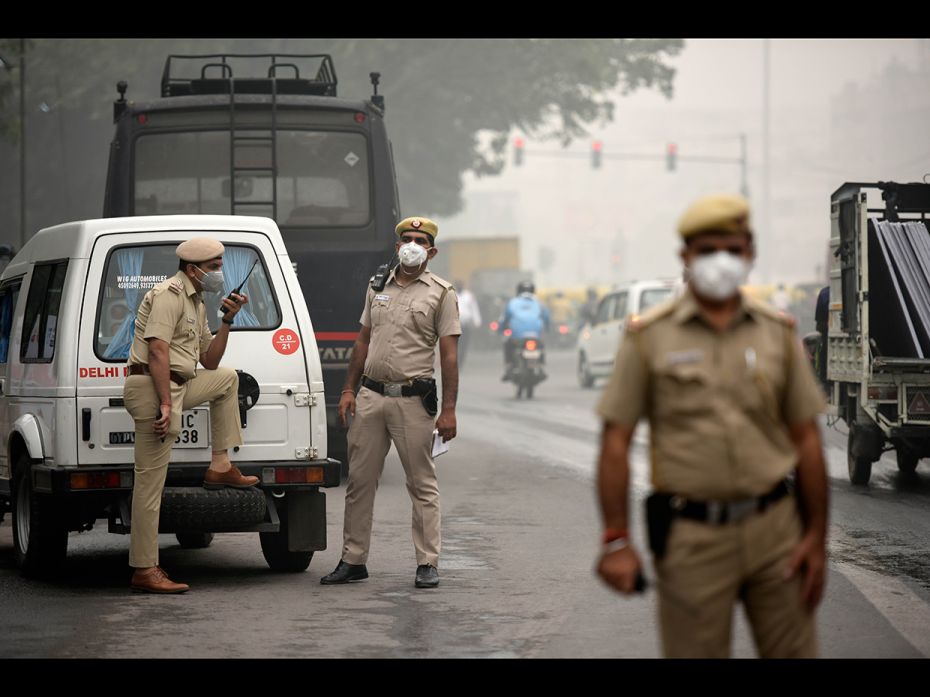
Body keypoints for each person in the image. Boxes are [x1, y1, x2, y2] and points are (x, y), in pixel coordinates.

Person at [594, 193, 829, 658]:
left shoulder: (777, 333)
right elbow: (615, 441)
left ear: (749, 253)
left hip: (776, 534)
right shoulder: (649, 338)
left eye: (731, 249)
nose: (719, 260)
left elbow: (807, 440)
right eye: (706, 251)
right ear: (685, 257)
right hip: (691, 538)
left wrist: (816, 539)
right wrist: (616, 540)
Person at [321, 216, 461, 589]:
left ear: (431, 251)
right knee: (360, 483)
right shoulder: (377, 285)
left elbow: (449, 356)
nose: (412, 245)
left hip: (413, 401)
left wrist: (448, 410)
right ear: (397, 246)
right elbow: (362, 341)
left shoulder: (442, 293)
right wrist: (349, 389)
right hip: (370, 396)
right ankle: (353, 560)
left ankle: (427, 562)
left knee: (422, 485)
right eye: (406, 239)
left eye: (420, 240)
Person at [123, 238, 257, 594]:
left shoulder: (197, 301)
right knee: (150, 487)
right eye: (214, 266)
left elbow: (209, 361)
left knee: (227, 378)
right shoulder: (169, 294)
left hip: (180, 384)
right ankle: (144, 568)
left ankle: (220, 466)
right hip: (154, 388)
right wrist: (166, 404)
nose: (220, 273)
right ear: (193, 268)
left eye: (220, 265)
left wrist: (227, 319)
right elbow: (157, 351)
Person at [498, 280, 550, 380]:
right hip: (535, 335)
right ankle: (541, 365)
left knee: (507, 344)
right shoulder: (539, 303)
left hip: (517, 336)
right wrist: (547, 329)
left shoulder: (512, 303)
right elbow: (547, 318)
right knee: (541, 346)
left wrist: (501, 329)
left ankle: (509, 366)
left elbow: (504, 319)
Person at [454, 279, 482, 368]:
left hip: (465, 324)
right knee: (455, 344)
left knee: (464, 344)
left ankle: (460, 362)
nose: (459, 286)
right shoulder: (451, 294)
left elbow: (474, 308)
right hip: (454, 324)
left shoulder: (469, 296)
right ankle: (455, 360)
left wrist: (477, 321)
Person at [815, 285, 830, 387]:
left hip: (827, 333)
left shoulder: (824, 293)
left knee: (823, 351)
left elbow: (819, 321)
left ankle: (824, 378)